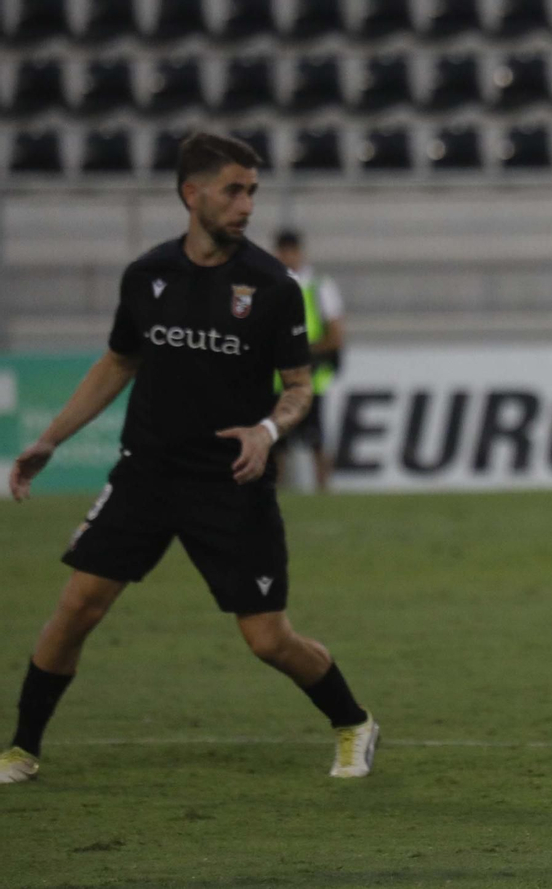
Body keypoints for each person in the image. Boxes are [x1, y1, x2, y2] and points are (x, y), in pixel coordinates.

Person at [1, 133, 378, 785]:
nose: (247, 205)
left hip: (231, 481)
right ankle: (21, 747)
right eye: (234, 190)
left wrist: (266, 429)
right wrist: (51, 438)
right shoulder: (147, 277)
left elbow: (296, 390)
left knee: (267, 639)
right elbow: (119, 361)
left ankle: (354, 722)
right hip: (145, 473)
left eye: (253, 191)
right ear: (191, 194)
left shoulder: (272, 286)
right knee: (77, 605)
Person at [271, 229, 345, 493]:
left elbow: (336, 334)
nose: (286, 256)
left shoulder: (318, 286)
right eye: (282, 251)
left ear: (299, 252)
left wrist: (303, 352)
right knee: (276, 440)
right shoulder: (271, 286)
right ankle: (274, 497)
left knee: (316, 439)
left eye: (290, 250)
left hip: (310, 377)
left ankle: (323, 491)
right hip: (277, 380)